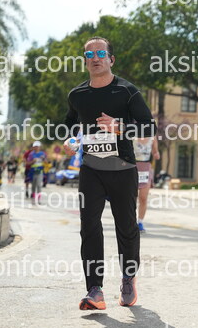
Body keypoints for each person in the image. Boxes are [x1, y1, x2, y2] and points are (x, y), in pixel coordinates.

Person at [63, 36, 156, 310]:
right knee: (89, 227)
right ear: (85, 61)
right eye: (89, 54)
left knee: (126, 227)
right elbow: (70, 125)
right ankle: (95, 290)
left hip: (123, 169)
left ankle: (128, 278)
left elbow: (148, 127)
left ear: (111, 60)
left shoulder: (127, 91)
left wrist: (119, 127)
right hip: (91, 169)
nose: (95, 58)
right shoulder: (77, 95)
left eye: (101, 53)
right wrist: (70, 140)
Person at [133, 136, 160, 232]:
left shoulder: (152, 138)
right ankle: (131, 221)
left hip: (146, 169)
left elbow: (155, 152)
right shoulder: (132, 136)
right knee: (131, 198)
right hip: (133, 167)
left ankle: (140, 222)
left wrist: (156, 154)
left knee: (143, 198)